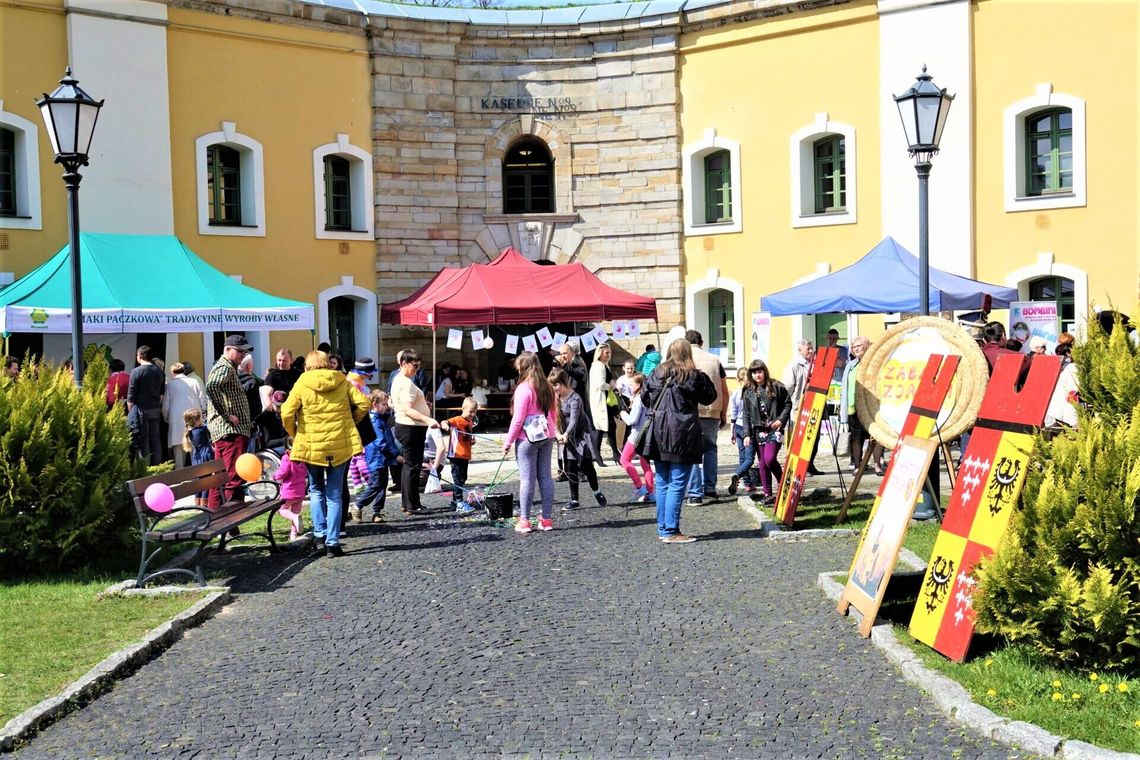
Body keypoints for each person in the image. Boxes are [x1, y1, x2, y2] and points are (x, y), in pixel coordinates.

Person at [280, 350, 369, 557]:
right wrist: (350, 421)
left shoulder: (302, 383)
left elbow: (286, 412)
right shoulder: (342, 380)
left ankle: (319, 537)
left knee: (317, 490)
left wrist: (295, 431)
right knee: (335, 493)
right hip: (339, 444)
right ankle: (333, 542)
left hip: (312, 445)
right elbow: (364, 403)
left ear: (307, 365)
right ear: (327, 363)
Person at [638, 338, 717, 543]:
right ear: (687, 354)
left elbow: (645, 398)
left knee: (663, 481)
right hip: (682, 432)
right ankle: (671, 530)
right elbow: (710, 396)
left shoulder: (656, 373)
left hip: (658, 432)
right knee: (677, 482)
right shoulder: (692, 375)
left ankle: (663, 529)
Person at [503, 351, 559, 533]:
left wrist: (508, 442)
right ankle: (547, 520)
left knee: (527, 479)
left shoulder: (523, 389)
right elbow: (553, 413)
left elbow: (518, 420)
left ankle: (525, 521)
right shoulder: (548, 387)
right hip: (547, 434)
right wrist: (553, 432)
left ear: (523, 367)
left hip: (527, 437)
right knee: (545, 477)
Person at [205, 335, 255, 508]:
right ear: (227, 349)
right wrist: (227, 415)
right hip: (231, 432)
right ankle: (231, 523)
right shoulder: (225, 367)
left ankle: (215, 518)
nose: (243, 355)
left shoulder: (227, 367)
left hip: (226, 431)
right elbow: (212, 387)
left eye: (244, 352)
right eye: (240, 351)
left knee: (220, 478)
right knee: (233, 477)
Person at [550, 367, 606, 512]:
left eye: (556, 385)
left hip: (581, 434)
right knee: (570, 466)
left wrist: (567, 434)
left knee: (587, 465)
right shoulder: (555, 398)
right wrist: (558, 434)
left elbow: (574, 420)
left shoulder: (575, 398)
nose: (554, 389)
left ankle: (596, 491)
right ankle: (574, 499)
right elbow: (553, 418)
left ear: (563, 383)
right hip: (565, 433)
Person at [391, 349, 439, 516]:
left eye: (419, 366)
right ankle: (413, 505)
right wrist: (429, 420)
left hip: (408, 427)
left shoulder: (401, 380)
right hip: (410, 427)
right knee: (413, 466)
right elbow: (408, 409)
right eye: (414, 366)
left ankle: (408, 503)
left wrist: (423, 405)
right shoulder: (405, 383)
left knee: (409, 466)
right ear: (404, 363)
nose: (417, 369)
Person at [741, 359, 792, 505]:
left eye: (760, 371)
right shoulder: (748, 390)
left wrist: (781, 420)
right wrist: (746, 434)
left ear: (764, 371)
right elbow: (745, 414)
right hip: (758, 430)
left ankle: (783, 486)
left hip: (774, 429)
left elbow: (788, 404)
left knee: (770, 459)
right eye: (754, 372)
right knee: (762, 463)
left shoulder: (776, 386)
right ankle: (768, 494)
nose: (757, 375)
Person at [685, 329, 728, 503]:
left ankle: (695, 493)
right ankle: (710, 488)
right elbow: (724, 391)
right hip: (712, 410)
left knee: (692, 452)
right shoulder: (715, 360)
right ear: (701, 342)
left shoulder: (684, 361)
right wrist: (723, 413)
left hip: (690, 412)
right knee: (710, 448)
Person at [357, 389, 404, 523]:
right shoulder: (374, 421)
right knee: (376, 484)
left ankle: (376, 511)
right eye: (383, 404)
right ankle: (358, 505)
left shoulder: (381, 419)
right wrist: (396, 455)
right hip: (376, 457)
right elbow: (381, 442)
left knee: (382, 484)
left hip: (382, 458)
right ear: (374, 405)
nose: (386, 406)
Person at [839, 336, 884, 477]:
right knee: (856, 438)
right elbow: (845, 389)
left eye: (859, 346)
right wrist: (843, 412)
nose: (856, 349)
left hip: (872, 407)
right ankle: (858, 465)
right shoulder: (850, 365)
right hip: (854, 408)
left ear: (867, 346)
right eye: (853, 347)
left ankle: (877, 464)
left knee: (876, 437)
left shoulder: (875, 364)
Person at [783, 339, 822, 476]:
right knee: (801, 439)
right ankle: (801, 467)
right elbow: (788, 388)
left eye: (812, 348)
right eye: (808, 349)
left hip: (815, 406)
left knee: (814, 438)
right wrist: (789, 406)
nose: (811, 351)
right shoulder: (794, 365)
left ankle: (810, 464)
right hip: (799, 407)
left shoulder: (815, 364)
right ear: (800, 350)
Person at [618, 371, 654, 502]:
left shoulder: (639, 399)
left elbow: (632, 420)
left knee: (624, 460)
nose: (630, 386)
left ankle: (639, 486)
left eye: (632, 384)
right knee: (646, 465)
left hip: (636, 436)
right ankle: (650, 493)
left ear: (638, 385)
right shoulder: (648, 396)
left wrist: (622, 414)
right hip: (647, 435)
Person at [163, 362, 208, 468]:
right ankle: (197, 471)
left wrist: (166, 417)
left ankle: (180, 475)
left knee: (178, 448)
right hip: (194, 416)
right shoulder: (194, 381)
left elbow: (166, 404)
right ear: (184, 371)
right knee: (196, 445)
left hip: (176, 418)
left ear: (172, 372)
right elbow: (203, 399)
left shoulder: (169, 384)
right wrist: (203, 414)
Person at [127, 345, 166, 465]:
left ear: (140, 356)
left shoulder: (136, 371)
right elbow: (161, 394)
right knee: (156, 438)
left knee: (144, 439)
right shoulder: (159, 371)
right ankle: (158, 465)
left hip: (141, 409)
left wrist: (130, 410)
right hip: (155, 408)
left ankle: (146, 466)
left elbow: (131, 395)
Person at [440, 396, 479, 513]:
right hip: (456, 455)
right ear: (463, 409)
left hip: (465, 455)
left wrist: (472, 440)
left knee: (463, 478)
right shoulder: (457, 420)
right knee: (457, 479)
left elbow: (467, 437)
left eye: (475, 412)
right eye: (470, 411)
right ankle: (459, 501)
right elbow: (444, 422)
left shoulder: (470, 422)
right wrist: (445, 425)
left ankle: (455, 501)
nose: (472, 414)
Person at [588, 343, 621, 465]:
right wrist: (611, 386)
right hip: (601, 400)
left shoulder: (604, 365)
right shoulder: (598, 366)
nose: (608, 355)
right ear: (600, 353)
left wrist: (612, 382)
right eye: (606, 353)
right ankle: (598, 453)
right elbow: (600, 384)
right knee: (601, 428)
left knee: (609, 427)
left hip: (607, 400)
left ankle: (614, 453)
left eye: (609, 352)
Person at [728, 367, 756, 496]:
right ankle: (738, 475)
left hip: (738, 428)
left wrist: (731, 431)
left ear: (738, 379)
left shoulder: (735, 393)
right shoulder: (751, 392)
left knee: (742, 457)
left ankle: (748, 484)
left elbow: (733, 414)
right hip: (748, 428)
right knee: (749, 458)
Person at [273, 449, 309, 542]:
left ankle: (294, 518)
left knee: (281, 509)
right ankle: (293, 535)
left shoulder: (287, 458)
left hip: (288, 492)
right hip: (300, 492)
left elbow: (283, 472)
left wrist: (275, 476)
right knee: (296, 513)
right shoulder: (302, 459)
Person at [182, 408, 213, 506]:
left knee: (199, 483)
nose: (202, 419)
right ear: (196, 420)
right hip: (205, 459)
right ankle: (204, 503)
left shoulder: (191, 432)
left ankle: (198, 503)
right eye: (201, 417)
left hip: (197, 460)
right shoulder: (201, 431)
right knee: (206, 483)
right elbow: (210, 426)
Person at [553, 340, 589, 408]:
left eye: (565, 353)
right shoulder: (562, 366)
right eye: (561, 354)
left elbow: (579, 375)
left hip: (577, 404)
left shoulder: (578, 363)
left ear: (572, 354)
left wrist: (564, 365)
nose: (562, 356)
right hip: (565, 404)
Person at [237, 353, 264, 423]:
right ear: (249, 366)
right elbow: (257, 408)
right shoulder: (252, 382)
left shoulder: (231, 379)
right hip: (248, 422)